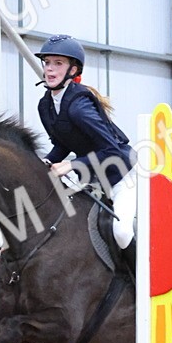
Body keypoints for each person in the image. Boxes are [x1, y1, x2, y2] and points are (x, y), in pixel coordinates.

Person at [33, 34, 136, 269]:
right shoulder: (45, 105)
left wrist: (71, 165)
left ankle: (139, 285)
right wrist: (45, 161)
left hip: (122, 176)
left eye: (58, 63)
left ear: (73, 70)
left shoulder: (80, 107)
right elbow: (64, 143)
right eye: (47, 62)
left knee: (121, 232)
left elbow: (111, 150)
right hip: (94, 179)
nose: (50, 69)